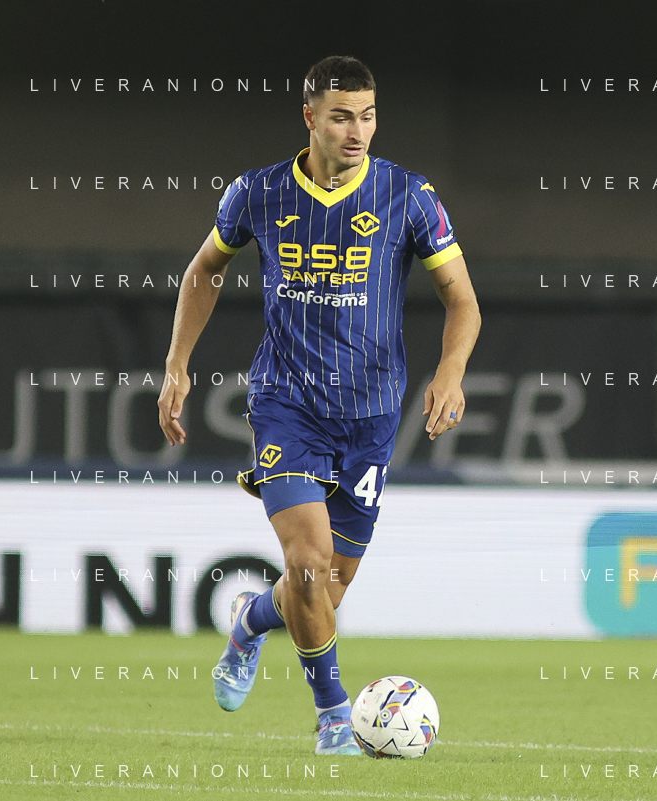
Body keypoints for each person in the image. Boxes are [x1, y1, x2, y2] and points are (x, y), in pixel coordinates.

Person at [156, 55, 480, 755]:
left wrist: (451, 372)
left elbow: (461, 298)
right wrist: (177, 364)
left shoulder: (407, 196)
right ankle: (334, 715)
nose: (356, 131)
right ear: (309, 117)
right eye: (340, 116)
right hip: (286, 404)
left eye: (367, 116)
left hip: (370, 415)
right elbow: (204, 269)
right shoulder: (258, 192)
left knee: (321, 593)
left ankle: (251, 618)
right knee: (306, 561)